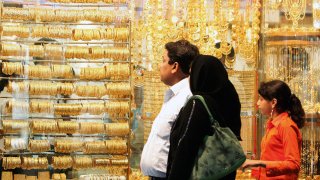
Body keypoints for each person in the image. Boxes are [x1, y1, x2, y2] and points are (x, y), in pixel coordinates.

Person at [166, 55, 242, 180]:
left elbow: (185, 149)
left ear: (200, 75)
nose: (190, 79)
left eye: (192, 74)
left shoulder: (198, 104)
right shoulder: (229, 99)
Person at [140, 40, 199, 180]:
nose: (159, 66)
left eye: (163, 60)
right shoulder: (174, 97)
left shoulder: (188, 98)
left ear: (175, 66)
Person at [242, 80, 305, 179]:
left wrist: (258, 163)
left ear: (273, 102)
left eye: (261, 99)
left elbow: (294, 164)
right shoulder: (273, 124)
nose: (257, 103)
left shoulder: (286, 126)